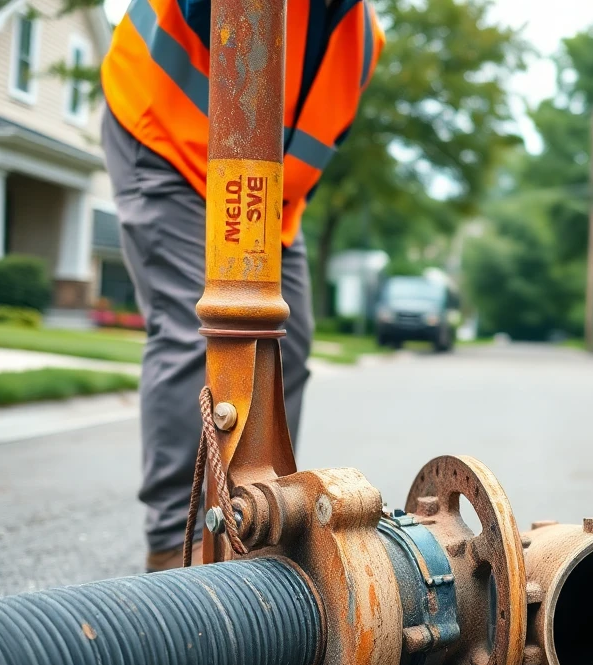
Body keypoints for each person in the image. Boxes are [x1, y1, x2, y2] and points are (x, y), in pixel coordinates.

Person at [100, 0, 385, 572]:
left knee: (284, 345)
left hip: (264, 191)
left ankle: (258, 532)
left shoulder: (361, 40)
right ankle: (172, 556)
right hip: (166, 140)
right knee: (195, 334)